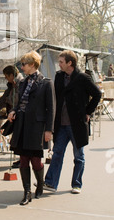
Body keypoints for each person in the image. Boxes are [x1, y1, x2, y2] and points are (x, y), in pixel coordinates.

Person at [43, 50, 102, 194]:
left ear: (70, 63)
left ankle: (77, 184)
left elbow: (97, 94)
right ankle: (50, 183)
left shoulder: (83, 78)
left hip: (76, 124)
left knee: (78, 156)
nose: (59, 64)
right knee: (57, 153)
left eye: (61, 61)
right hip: (61, 124)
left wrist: (88, 112)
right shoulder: (58, 77)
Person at [8, 51, 55, 205]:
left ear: (32, 65)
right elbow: (19, 102)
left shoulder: (46, 83)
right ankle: (26, 192)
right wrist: (13, 111)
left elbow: (51, 108)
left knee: (35, 160)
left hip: (36, 127)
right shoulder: (22, 82)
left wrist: (49, 130)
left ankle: (40, 184)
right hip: (21, 125)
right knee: (23, 160)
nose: (21, 68)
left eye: (24, 65)